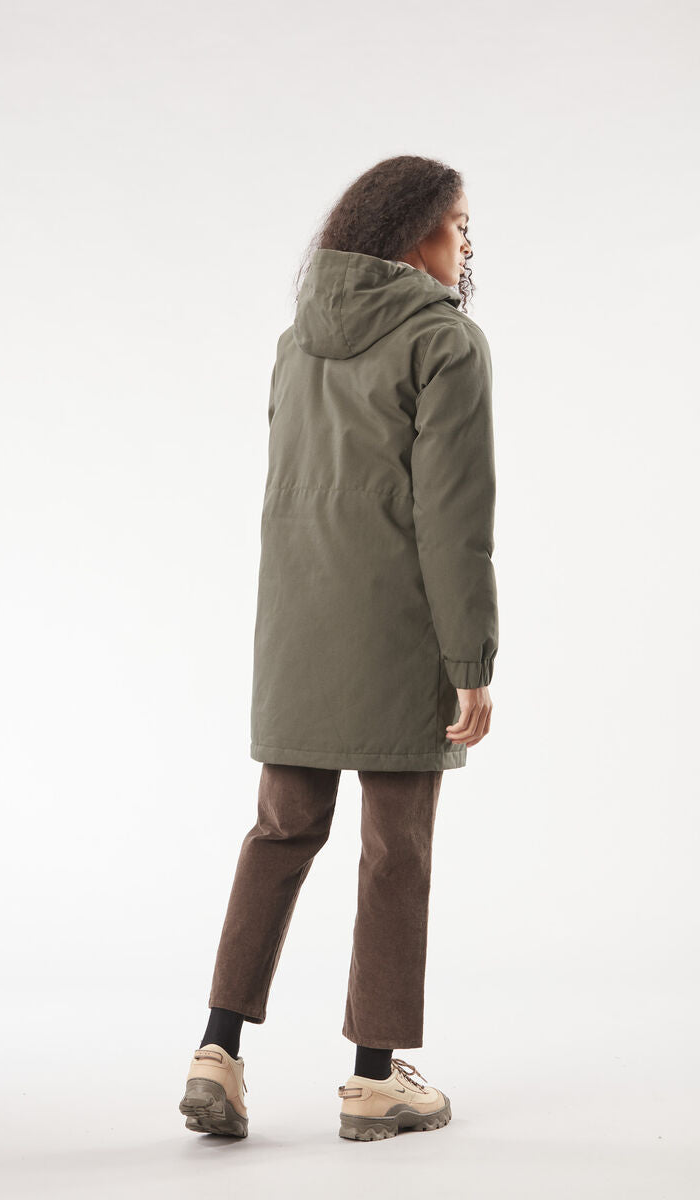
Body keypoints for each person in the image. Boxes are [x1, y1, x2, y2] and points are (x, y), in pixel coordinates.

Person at [178, 155, 499, 1142]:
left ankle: (217, 1051)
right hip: (398, 633)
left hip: (296, 628)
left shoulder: (296, 342)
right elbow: (453, 520)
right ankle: (373, 1080)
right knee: (395, 849)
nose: (467, 244)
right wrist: (470, 661)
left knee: (279, 831)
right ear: (414, 235)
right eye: (457, 225)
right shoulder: (445, 342)